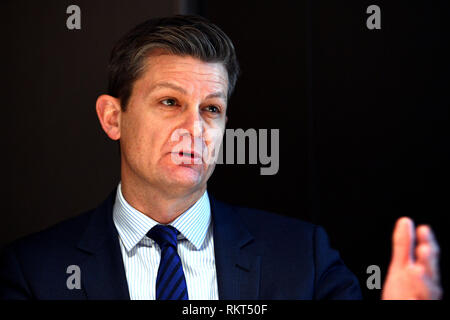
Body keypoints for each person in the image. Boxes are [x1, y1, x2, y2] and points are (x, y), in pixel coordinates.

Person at [0, 15, 442, 300]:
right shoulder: (33, 272)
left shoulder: (302, 257)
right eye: (170, 102)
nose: (194, 128)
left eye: (211, 109)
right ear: (113, 117)